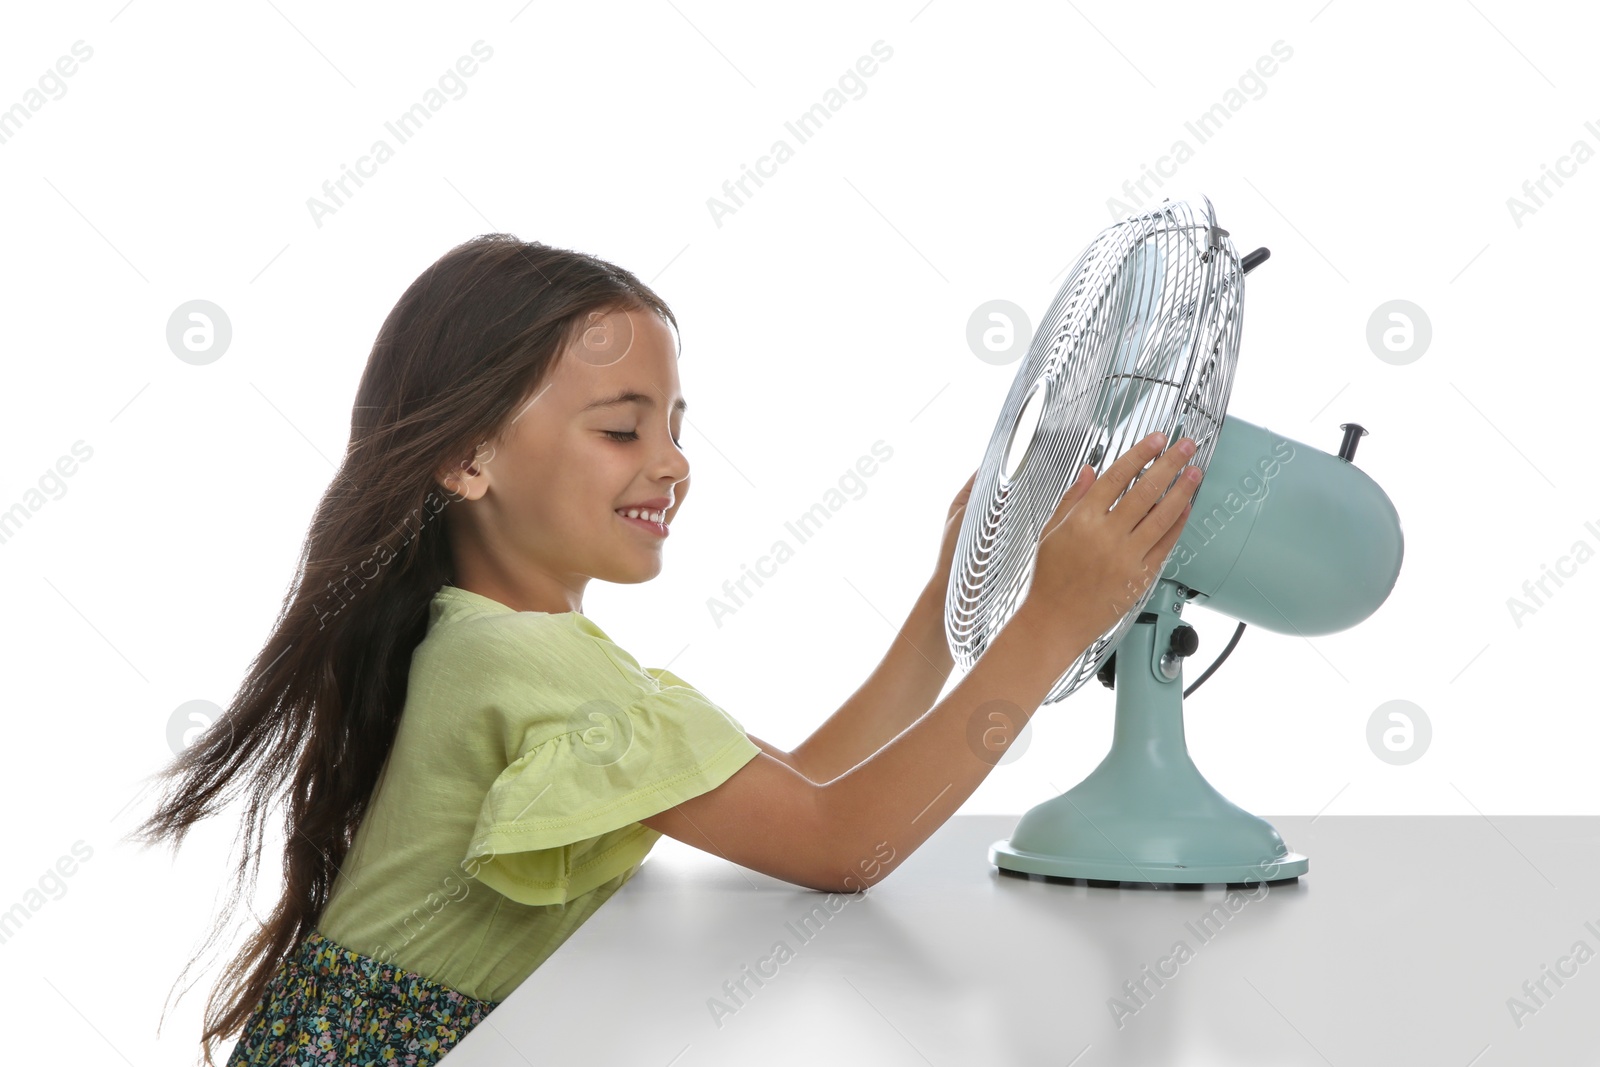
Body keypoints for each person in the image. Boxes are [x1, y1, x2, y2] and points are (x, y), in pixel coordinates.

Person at [126, 233, 1202, 1066]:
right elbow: (843, 841)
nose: (672, 464)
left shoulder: (500, 642)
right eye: (621, 428)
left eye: (676, 426)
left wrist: (940, 602)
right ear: (465, 458)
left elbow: (815, 788)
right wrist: (1053, 619)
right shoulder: (525, 665)